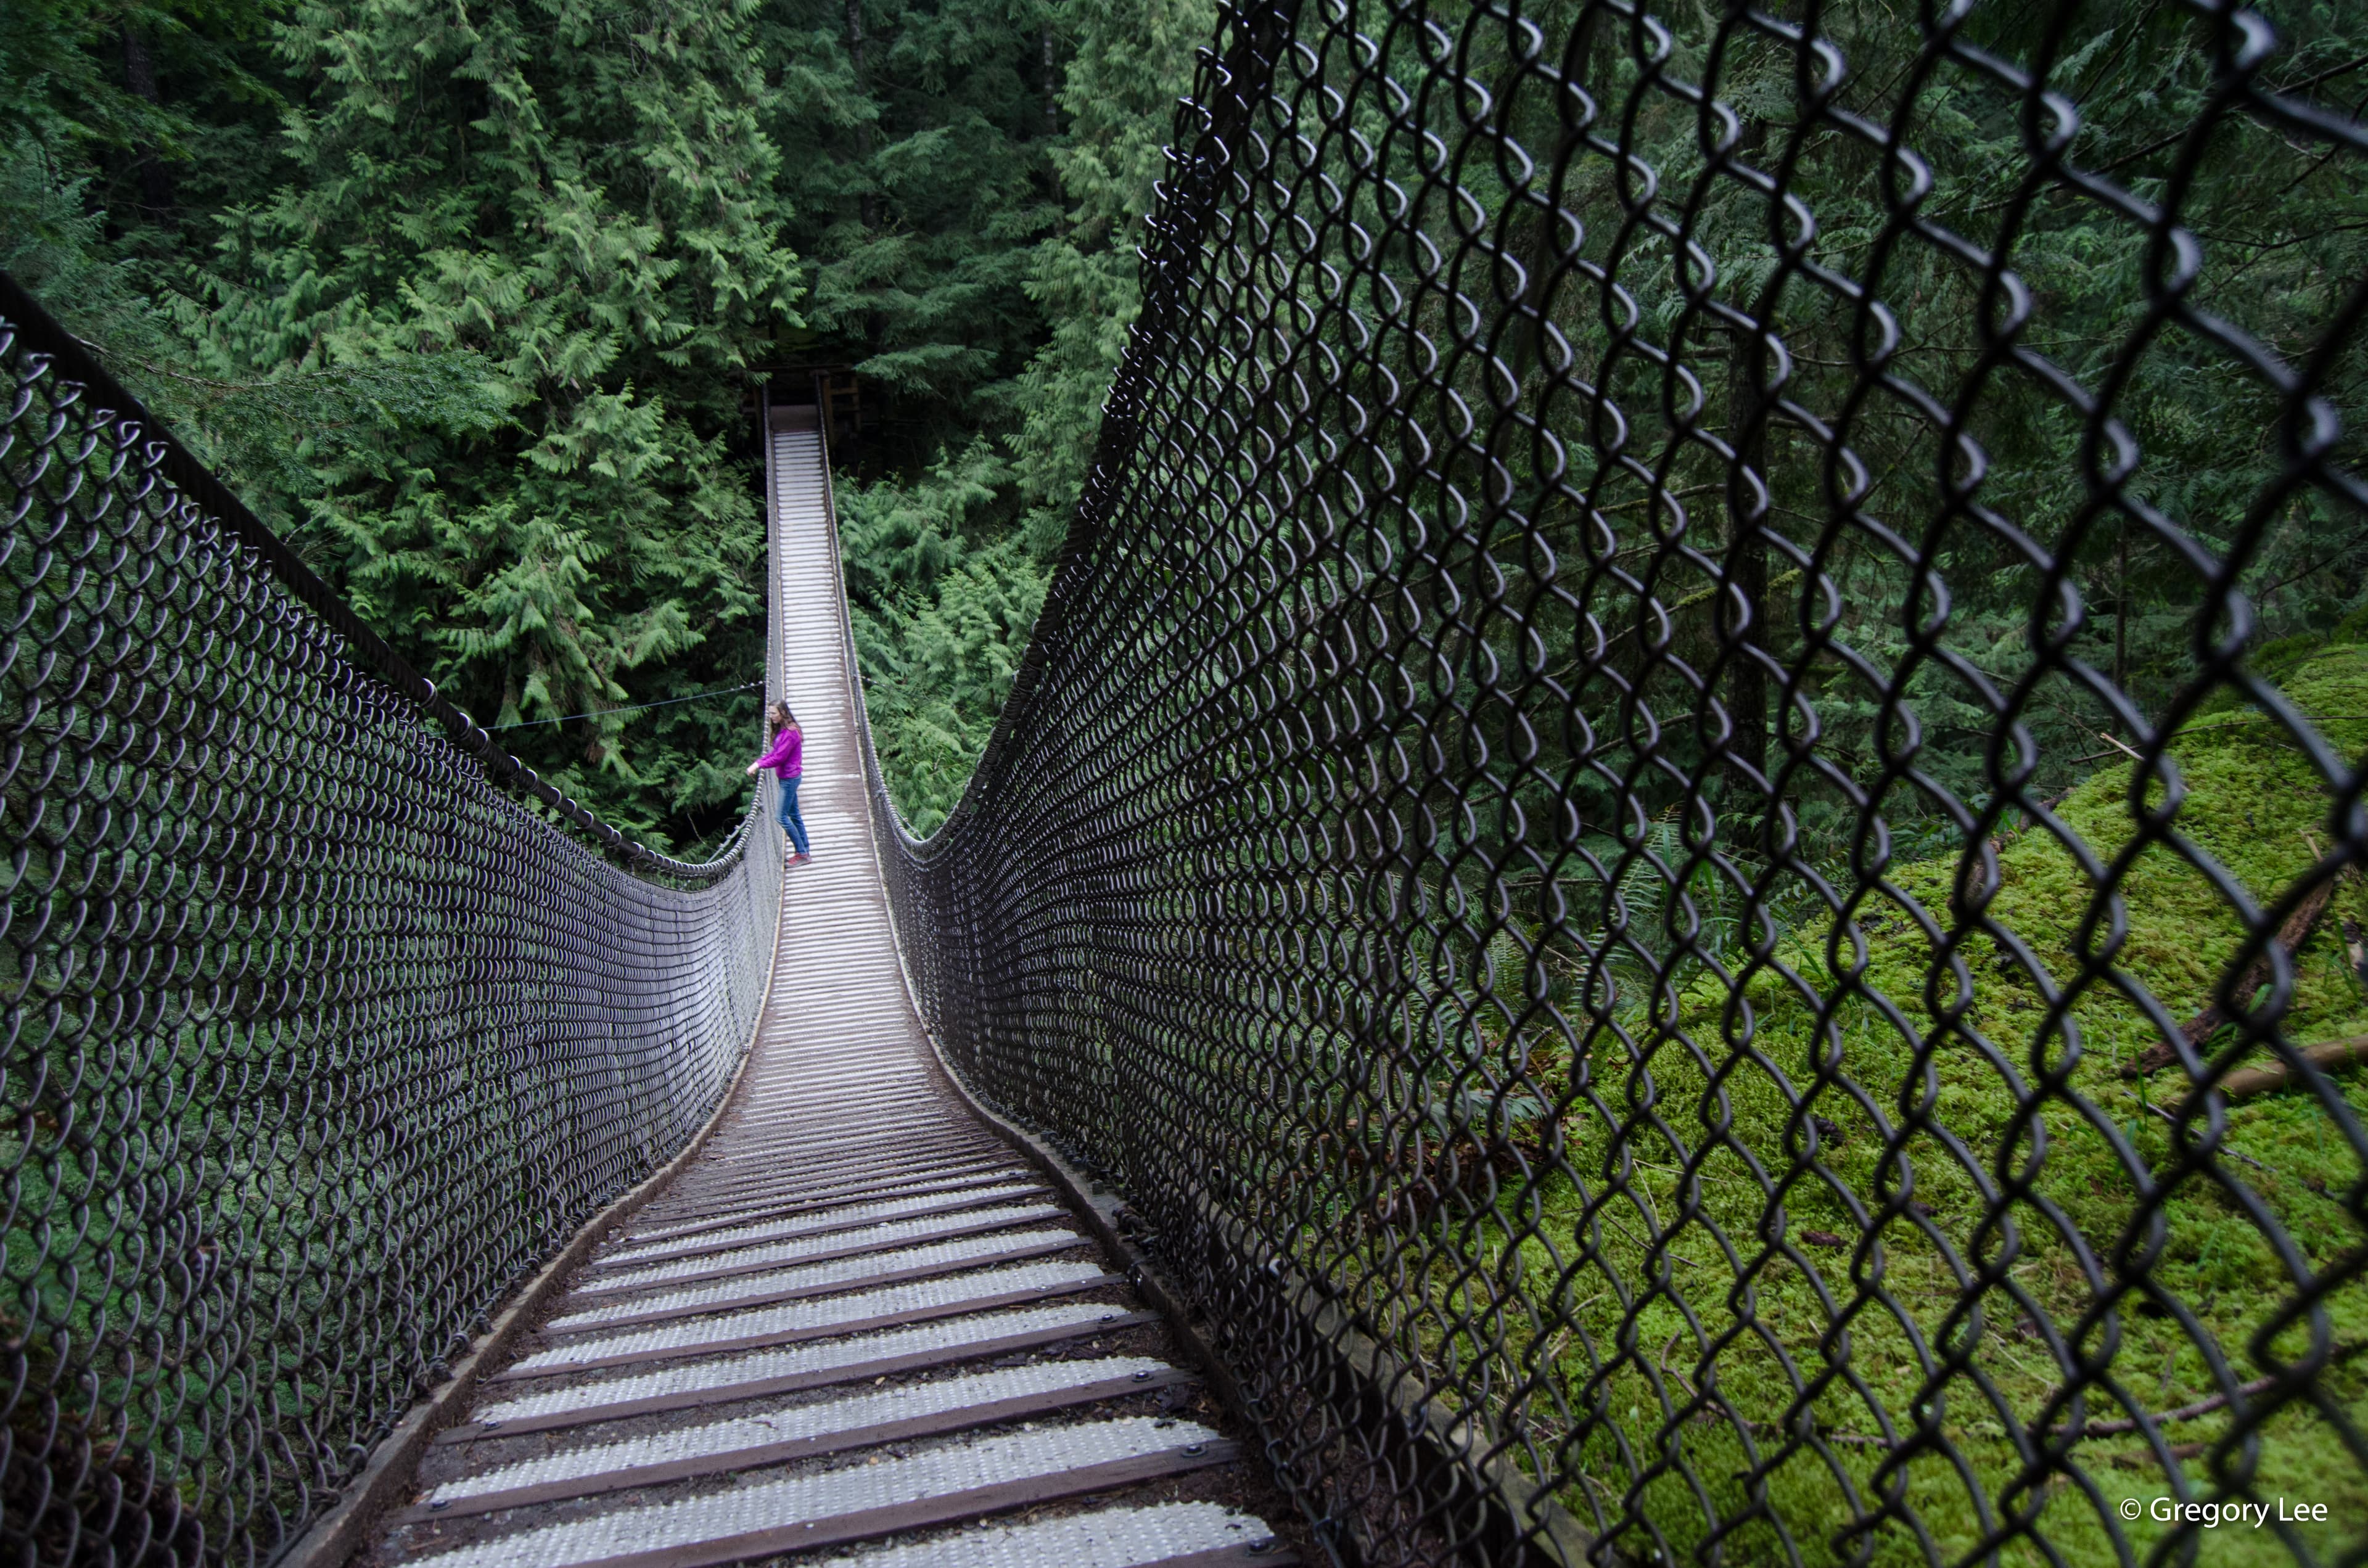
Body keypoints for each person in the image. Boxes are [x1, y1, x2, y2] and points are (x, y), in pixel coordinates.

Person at [747, 701, 810, 863]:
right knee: (794, 815)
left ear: (782, 712)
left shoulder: (790, 733)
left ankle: (802, 854)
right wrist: (758, 762)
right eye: (770, 713)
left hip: (789, 779)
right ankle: (804, 851)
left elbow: (779, 758)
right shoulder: (784, 730)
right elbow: (775, 753)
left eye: (774, 713)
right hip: (788, 778)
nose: (771, 716)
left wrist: (759, 765)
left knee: (781, 817)